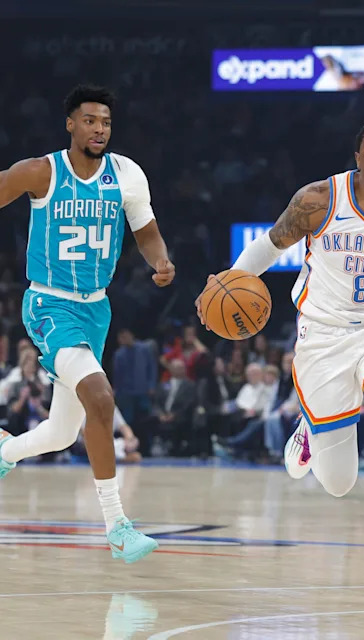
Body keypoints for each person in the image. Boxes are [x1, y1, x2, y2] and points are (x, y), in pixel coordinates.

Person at [199, 119, 364, 608]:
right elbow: (271, 246)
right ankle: (310, 427)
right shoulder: (318, 199)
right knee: (340, 484)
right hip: (322, 337)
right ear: (357, 158)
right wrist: (223, 283)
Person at [0, 84, 174, 562]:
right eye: (90, 120)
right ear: (71, 125)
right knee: (100, 397)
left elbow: (148, 233)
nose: (99, 129)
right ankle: (117, 525)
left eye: (106, 122)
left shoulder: (127, 175)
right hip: (49, 305)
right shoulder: (41, 171)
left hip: (96, 308)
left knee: (61, 432)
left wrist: (161, 262)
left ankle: (5, 452)